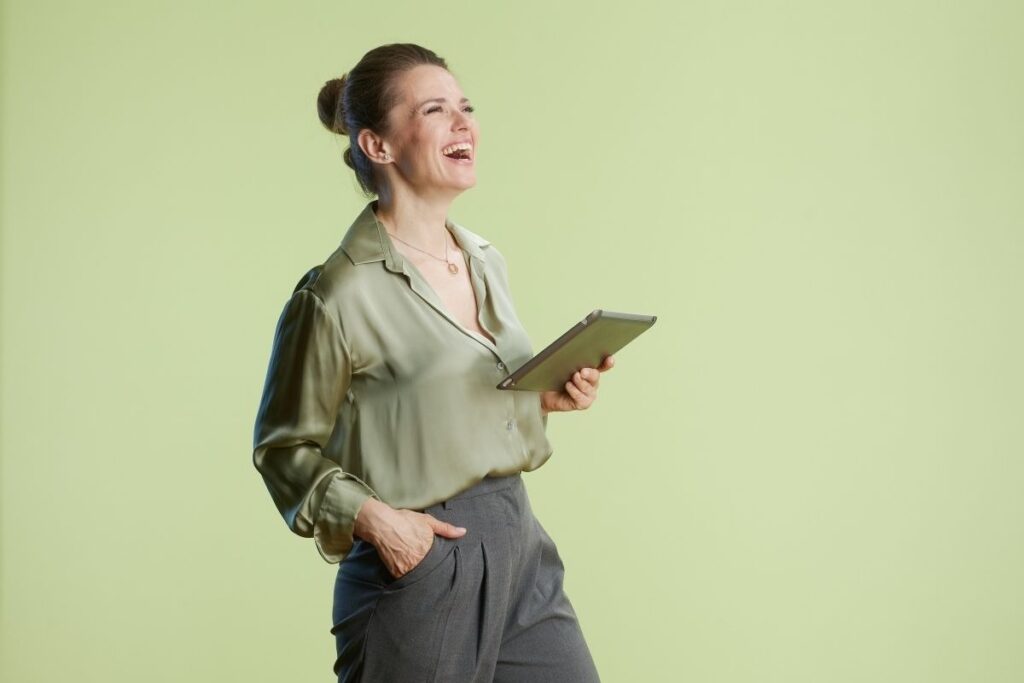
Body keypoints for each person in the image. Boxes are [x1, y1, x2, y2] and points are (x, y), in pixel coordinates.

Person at [252, 43, 614, 683]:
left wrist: (539, 397)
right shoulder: (336, 294)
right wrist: (380, 524)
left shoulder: (484, 260)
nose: (463, 123)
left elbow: (436, 402)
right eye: (435, 109)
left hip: (518, 540)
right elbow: (284, 448)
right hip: (423, 556)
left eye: (466, 107)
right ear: (378, 146)